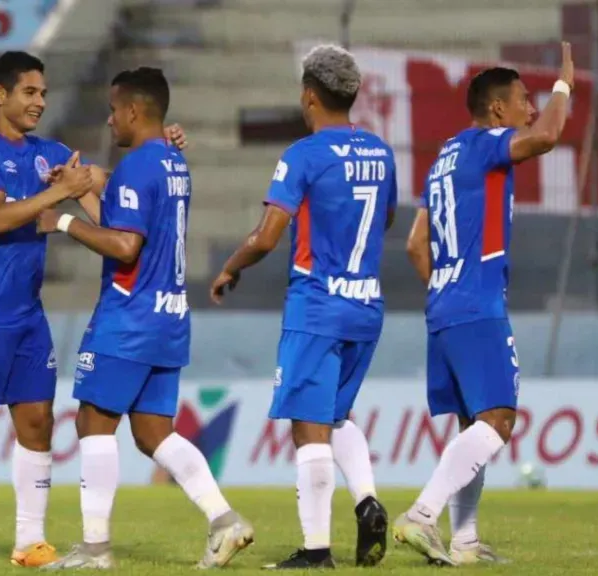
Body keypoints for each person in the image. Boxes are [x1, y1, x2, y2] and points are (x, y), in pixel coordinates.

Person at [0, 52, 187, 569]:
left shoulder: (49, 153)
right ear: (2, 95)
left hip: (26, 311)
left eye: (42, 93)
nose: (40, 101)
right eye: (30, 92)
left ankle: (30, 542)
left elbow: (110, 182)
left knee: (38, 422)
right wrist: (61, 192)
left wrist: (161, 144)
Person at [37, 67, 253, 570]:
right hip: (169, 316)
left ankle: (95, 550)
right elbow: (123, 220)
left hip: (128, 315)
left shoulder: (137, 167)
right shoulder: (173, 162)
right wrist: (79, 191)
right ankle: (224, 521)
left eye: (114, 111)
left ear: (134, 110)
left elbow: (125, 244)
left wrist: (63, 221)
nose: (110, 120)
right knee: (154, 432)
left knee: (93, 421)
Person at [211, 44, 392, 569]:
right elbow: (382, 222)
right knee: (335, 417)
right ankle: (366, 500)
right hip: (366, 305)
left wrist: (232, 265)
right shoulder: (379, 151)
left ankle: (316, 552)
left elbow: (268, 236)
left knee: (307, 426)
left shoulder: (303, 155)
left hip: (318, 304)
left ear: (308, 96)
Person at [394, 42, 575, 565]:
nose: (531, 108)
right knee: (497, 419)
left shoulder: (444, 158)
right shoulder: (488, 144)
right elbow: (547, 136)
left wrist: (446, 287)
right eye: (524, 99)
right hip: (476, 301)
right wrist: (564, 84)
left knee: (473, 420)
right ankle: (422, 515)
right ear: (498, 110)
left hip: (445, 301)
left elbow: (413, 244)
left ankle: (466, 541)